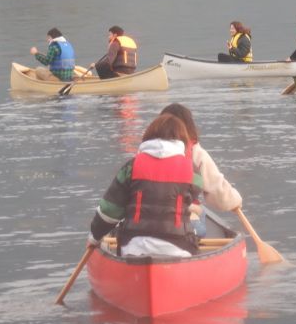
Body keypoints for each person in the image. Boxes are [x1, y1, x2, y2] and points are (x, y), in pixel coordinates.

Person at [87, 114, 202, 257]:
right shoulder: (193, 171)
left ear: (149, 135)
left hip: (133, 248)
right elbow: (193, 196)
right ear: (182, 140)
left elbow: (109, 211)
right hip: (179, 248)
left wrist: (94, 238)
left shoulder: (131, 166)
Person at [160, 103, 243, 237]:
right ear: (189, 126)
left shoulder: (146, 152)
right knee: (198, 213)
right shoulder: (196, 153)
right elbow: (217, 191)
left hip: (145, 222)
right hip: (185, 222)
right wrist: (234, 202)